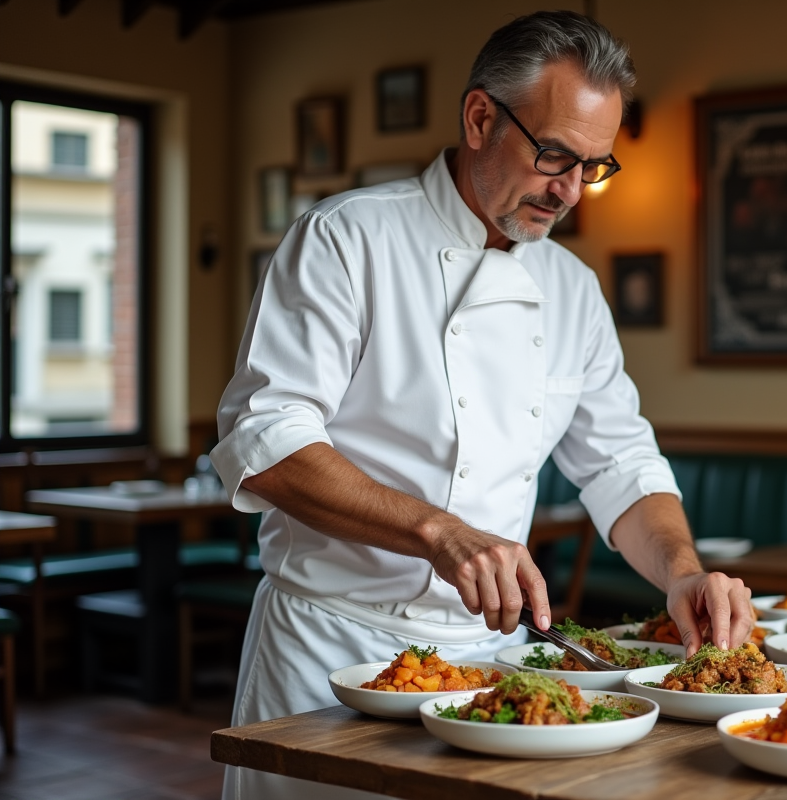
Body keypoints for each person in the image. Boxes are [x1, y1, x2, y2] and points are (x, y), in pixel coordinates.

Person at [211, 11, 754, 799]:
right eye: (555, 155)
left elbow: (623, 466)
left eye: (594, 166)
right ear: (479, 118)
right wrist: (441, 533)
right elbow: (265, 440)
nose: (570, 190)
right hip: (327, 656)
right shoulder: (345, 239)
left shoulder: (572, 291)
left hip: (482, 667)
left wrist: (681, 573)